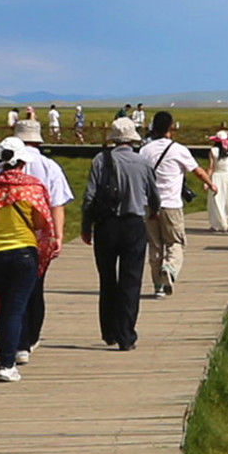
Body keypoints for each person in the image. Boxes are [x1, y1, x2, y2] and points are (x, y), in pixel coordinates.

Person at [0, 141, 63, 381]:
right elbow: (42, 222)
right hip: (23, 252)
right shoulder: (32, 187)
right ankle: (8, 363)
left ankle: (5, 355)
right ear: (22, 162)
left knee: (3, 308)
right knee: (16, 307)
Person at [82, 121, 154, 350]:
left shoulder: (101, 160)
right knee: (130, 281)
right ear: (132, 139)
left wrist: (86, 226)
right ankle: (126, 334)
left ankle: (109, 331)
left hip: (106, 225)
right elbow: (154, 194)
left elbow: (89, 196)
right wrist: (154, 212)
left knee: (107, 279)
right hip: (133, 224)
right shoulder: (142, 162)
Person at [140, 111, 202, 293]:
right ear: (170, 128)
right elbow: (196, 170)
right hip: (172, 204)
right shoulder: (179, 150)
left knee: (155, 245)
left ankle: (157, 285)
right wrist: (210, 183)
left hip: (149, 204)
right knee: (175, 242)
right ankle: (170, 268)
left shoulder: (145, 150)